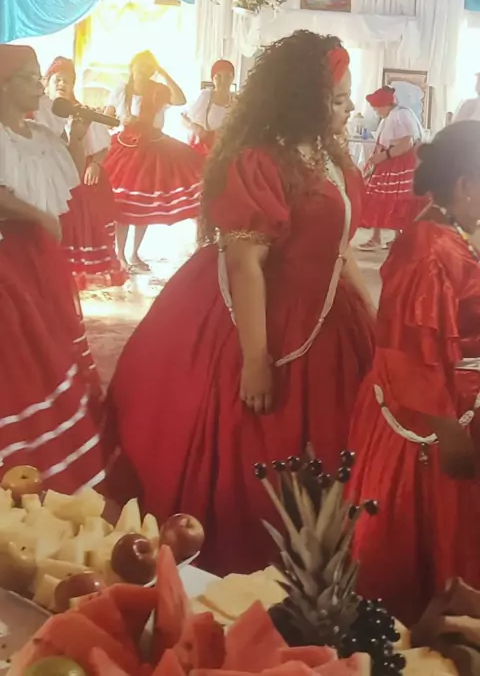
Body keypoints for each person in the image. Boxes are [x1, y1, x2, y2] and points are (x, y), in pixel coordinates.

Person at [108, 31, 376, 576]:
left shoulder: (331, 159)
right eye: (339, 99)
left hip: (327, 316)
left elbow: (341, 249)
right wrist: (255, 358)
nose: (349, 109)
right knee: (254, 437)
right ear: (304, 99)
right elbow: (246, 265)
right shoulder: (259, 162)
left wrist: (374, 319)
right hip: (260, 317)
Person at [349, 121, 480, 627]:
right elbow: (412, 356)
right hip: (433, 424)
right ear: (465, 185)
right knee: (428, 532)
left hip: (451, 405)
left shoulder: (447, 236)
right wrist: (450, 434)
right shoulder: (430, 250)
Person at [0, 44, 112, 493]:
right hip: (9, 258)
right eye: (30, 78)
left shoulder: (40, 135)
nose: (39, 87)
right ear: (4, 85)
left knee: (53, 339)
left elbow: (68, 173)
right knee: (20, 349)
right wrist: (36, 215)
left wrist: (79, 136)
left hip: (41, 258)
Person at [103, 50, 203, 273]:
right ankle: (120, 255)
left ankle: (134, 253)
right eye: (140, 66)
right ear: (132, 67)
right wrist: (122, 119)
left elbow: (180, 99)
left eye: (149, 67)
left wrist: (164, 73)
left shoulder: (159, 90)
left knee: (144, 206)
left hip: (154, 149)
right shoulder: (122, 90)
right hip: (126, 148)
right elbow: (107, 119)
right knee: (123, 206)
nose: (144, 70)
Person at [43, 57, 126, 291]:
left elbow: (101, 145)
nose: (62, 84)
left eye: (67, 81)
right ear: (47, 82)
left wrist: (95, 164)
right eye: (58, 80)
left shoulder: (80, 112)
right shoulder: (37, 114)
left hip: (76, 179)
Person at [360, 85, 425, 250]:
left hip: (399, 162)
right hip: (391, 161)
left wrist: (384, 156)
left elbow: (407, 142)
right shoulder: (392, 116)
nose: (376, 111)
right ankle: (381, 236)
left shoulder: (399, 115)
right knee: (384, 198)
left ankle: (384, 237)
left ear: (384, 104)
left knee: (391, 198)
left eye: (376, 107)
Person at [184, 60, 235, 155]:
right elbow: (185, 117)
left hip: (226, 152)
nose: (223, 80)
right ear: (212, 79)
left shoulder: (237, 100)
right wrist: (196, 128)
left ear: (232, 78)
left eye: (227, 76)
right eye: (218, 76)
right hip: (204, 152)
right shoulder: (205, 96)